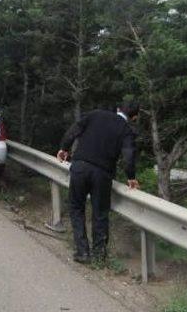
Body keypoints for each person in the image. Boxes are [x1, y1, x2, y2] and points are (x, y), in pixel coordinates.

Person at [57, 101, 140, 264]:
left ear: (118, 109)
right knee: (100, 213)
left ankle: (82, 252)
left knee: (76, 208)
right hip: (103, 174)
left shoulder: (95, 114)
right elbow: (128, 155)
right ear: (134, 117)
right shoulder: (126, 130)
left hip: (80, 167)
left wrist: (64, 148)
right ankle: (99, 255)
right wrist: (131, 177)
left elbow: (74, 131)